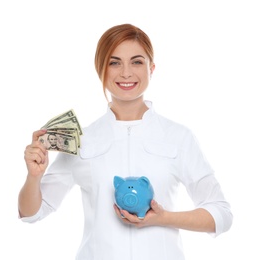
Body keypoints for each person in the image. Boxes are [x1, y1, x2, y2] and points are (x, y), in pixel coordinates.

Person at [18, 23, 233, 260]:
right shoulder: (81, 140)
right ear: (101, 69)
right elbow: (32, 213)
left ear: (152, 68)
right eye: (114, 62)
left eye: (137, 62)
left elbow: (221, 215)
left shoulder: (179, 137)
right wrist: (33, 176)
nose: (126, 73)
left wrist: (164, 218)